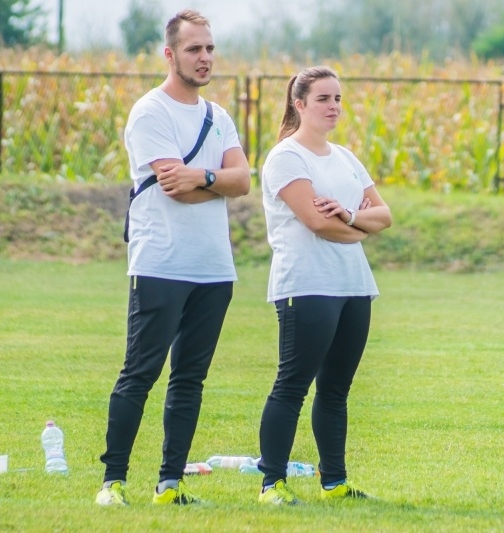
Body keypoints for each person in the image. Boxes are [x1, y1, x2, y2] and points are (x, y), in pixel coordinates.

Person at [95, 9, 250, 506]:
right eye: (193, 49)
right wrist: (215, 180)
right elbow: (173, 186)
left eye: (209, 48)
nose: (204, 58)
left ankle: (169, 484)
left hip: (213, 268)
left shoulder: (218, 116)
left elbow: (243, 181)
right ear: (170, 54)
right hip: (160, 262)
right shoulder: (150, 112)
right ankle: (112, 482)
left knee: (190, 379)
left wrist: (203, 177)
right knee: (140, 373)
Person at [256, 66, 392, 505]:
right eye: (323, 99)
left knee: (336, 390)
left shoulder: (346, 157)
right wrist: (357, 227)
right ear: (299, 104)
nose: (333, 107)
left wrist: (350, 218)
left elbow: (384, 216)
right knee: (292, 385)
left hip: (353, 285)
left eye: (337, 99)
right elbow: (316, 222)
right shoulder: (286, 158)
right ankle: (271, 483)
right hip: (307, 284)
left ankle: (334, 482)